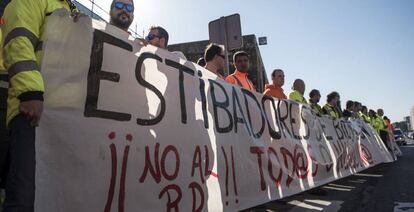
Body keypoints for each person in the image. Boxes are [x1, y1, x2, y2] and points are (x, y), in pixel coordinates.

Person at [1, 0, 78, 210]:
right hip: (32, 110)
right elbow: (18, 40)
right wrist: (30, 92)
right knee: (25, 194)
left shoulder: (74, 13)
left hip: (62, 114)